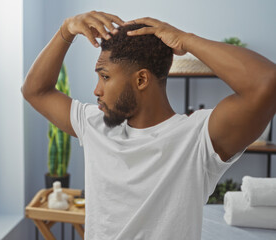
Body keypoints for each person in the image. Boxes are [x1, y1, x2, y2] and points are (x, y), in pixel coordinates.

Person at [22, 11, 276, 239]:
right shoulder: (95, 124)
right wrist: (66, 30)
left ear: (142, 79)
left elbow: (267, 83)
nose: (96, 90)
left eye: (105, 76)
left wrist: (185, 39)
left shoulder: (198, 138)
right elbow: (35, 90)